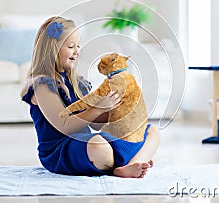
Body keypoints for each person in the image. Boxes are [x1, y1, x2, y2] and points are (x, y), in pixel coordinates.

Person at [20, 16, 160, 178]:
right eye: (71, 46)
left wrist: (115, 111)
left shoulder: (77, 82)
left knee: (151, 132)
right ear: (52, 49)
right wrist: (98, 107)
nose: (77, 51)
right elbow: (64, 126)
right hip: (60, 149)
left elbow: (94, 124)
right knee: (99, 146)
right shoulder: (43, 85)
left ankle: (128, 166)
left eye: (78, 46)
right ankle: (133, 159)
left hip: (85, 140)